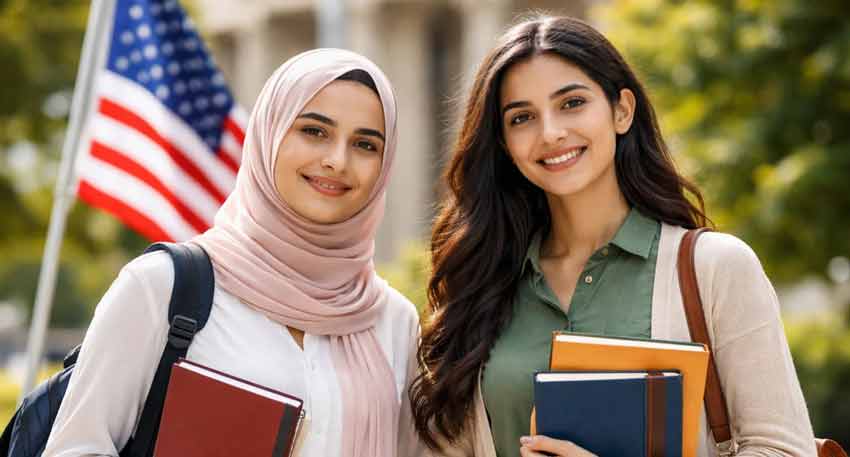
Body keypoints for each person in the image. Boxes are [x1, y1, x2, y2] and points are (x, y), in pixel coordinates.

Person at [408, 15, 817, 457]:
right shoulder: (480, 285)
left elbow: (784, 449)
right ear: (504, 143)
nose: (550, 133)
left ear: (622, 110)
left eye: (572, 103)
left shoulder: (716, 268)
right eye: (522, 117)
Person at [44, 48, 420, 457]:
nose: (337, 160)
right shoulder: (163, 286)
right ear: (269, 134)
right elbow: (75, 449)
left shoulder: (394, 322)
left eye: (365, 144)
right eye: (314, 131)